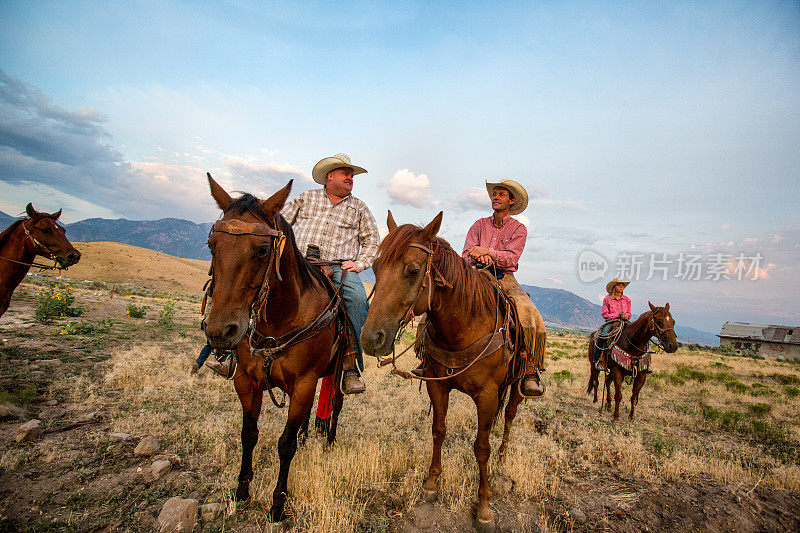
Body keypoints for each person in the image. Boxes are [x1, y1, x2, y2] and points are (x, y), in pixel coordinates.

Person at [281, 153, 379, 398]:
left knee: (357, 300)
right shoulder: (305, 198)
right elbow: (281, 223)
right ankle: (230, 350)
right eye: (346, 173)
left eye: (352, 175)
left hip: (337, 267)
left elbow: (372, 241)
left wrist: (358, 264)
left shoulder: (359, 208)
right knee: (260, 284)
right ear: (329, 176)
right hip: (298, 262)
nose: (350, 178)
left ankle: (351, 366)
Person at [458, 178, 546, 398]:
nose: (495, 197)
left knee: (527, 311)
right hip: (475, 273)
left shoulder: (519, 229)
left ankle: (529, 369)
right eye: (494, 194)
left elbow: (511, 258)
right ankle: (427, 356)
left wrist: (486, 251)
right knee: (443, 298)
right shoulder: (479, 224)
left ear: (511, 201)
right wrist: (475, 255)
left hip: (504, 277)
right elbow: (466, 253)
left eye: (501, 194)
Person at [594, 278, 632, 368]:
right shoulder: (607, 299)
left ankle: (642, 362)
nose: (621, 287)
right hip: (611, 322)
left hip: (625, 321)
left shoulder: (627, 300)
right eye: (619, 285)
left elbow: (629, 313)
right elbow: (605, 314)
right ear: (614, 287)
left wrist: (626, 316)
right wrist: (617, 315)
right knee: (602, 336)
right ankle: (597, 360)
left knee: (638, 333)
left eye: (623, 285)